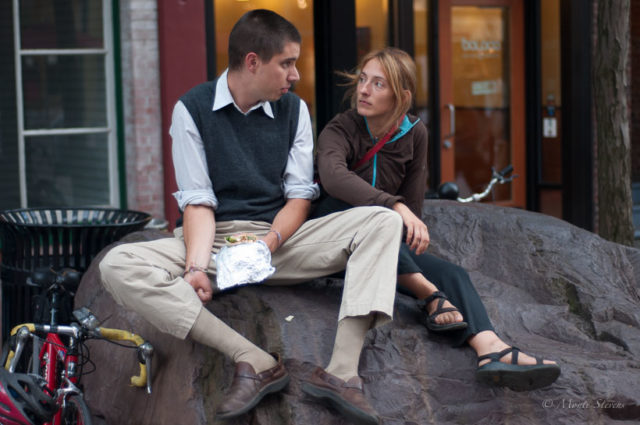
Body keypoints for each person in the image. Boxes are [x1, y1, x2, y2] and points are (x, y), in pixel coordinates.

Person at [99, 10, 400, 425]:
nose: (294, 75)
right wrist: (195, 268)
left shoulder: (295, 111)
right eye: (287, 63)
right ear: (253, 61)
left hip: (279, 243)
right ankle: (252, 358)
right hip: (212, 242)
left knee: (383, 221)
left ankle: (342, 373)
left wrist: (268, 244)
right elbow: (199, 202)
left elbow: (299, 198)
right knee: (117, 265)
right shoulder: (192, 109)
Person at [313, 47, 561, 392]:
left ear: (402, 96)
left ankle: (490, 347)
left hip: (381, 248)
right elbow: (333, 179)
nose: (364, 90)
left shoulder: (414, 133)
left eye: (378, 84)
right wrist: (394, 207)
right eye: (363, 80)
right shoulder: (341, 128)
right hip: (330, 238)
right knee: (360, 208)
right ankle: (428, 293)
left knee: (452, 273)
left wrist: (405, 220)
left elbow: (412, 212)